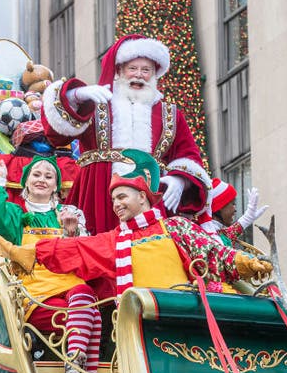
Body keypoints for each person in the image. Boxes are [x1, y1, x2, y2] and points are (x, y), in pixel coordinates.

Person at [0, 150, 273, 302]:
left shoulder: (174, 227)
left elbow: (213, 253)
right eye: (113, 199)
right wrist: (27, 253)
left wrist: (246, 263)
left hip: (187, 314)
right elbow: (73, 250)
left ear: (142, 196)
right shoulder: (115, 240)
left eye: (122, 196)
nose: (116, 205)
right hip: (141, 326)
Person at [39, 34, 211, 234]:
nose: (139, 75)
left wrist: (179, 179)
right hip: (96, 190)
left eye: (146, 70)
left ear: (155, 74)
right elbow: (56, 134)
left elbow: (188, 154)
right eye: (133, 69)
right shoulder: (97, 102)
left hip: (150, 196)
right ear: (119, 70)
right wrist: (77, 96)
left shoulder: (169, 113)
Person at [0, 150, 104, 373]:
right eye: (36, 174)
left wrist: (72, 234)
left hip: (71, 290)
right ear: (26, 182)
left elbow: (85, 259)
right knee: (91, 312)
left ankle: (74, 368)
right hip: (36, 295)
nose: (42, 179)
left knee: (84, 295)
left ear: (56, 185)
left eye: (49, 176)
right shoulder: (15, 214)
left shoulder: (69, 215)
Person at [197, 178, 269, 247]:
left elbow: (230, 233)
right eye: (233, 203)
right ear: (219, 206)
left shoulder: (217, 232)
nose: (235, 209)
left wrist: (248, 217)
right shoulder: (205, 237)